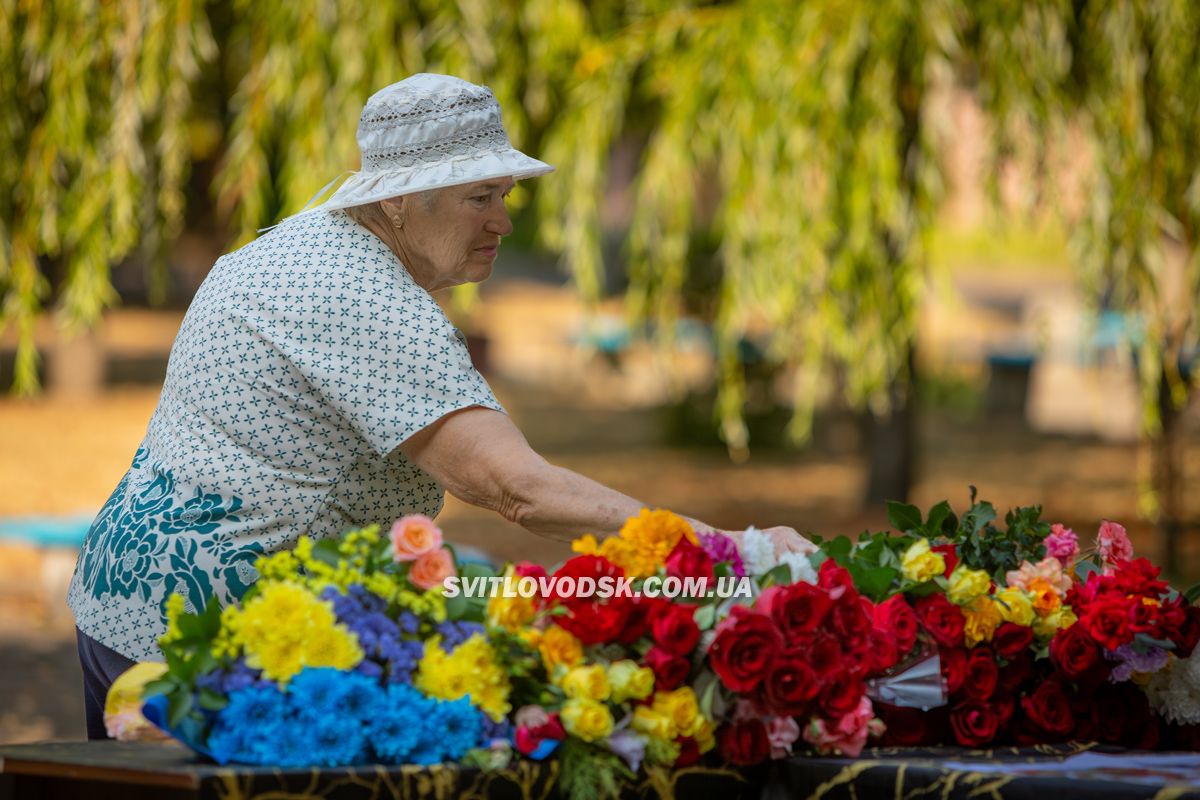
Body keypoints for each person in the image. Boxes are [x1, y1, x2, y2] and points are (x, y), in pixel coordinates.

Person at [67, 73, 810, 739]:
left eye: (505, 195)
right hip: (209, 644)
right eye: (479, 197)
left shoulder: (296, 245)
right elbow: (516, 488)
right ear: (396, 200)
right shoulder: (365, 299)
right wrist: (726, 552)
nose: (503, 221)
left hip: (128, 599)